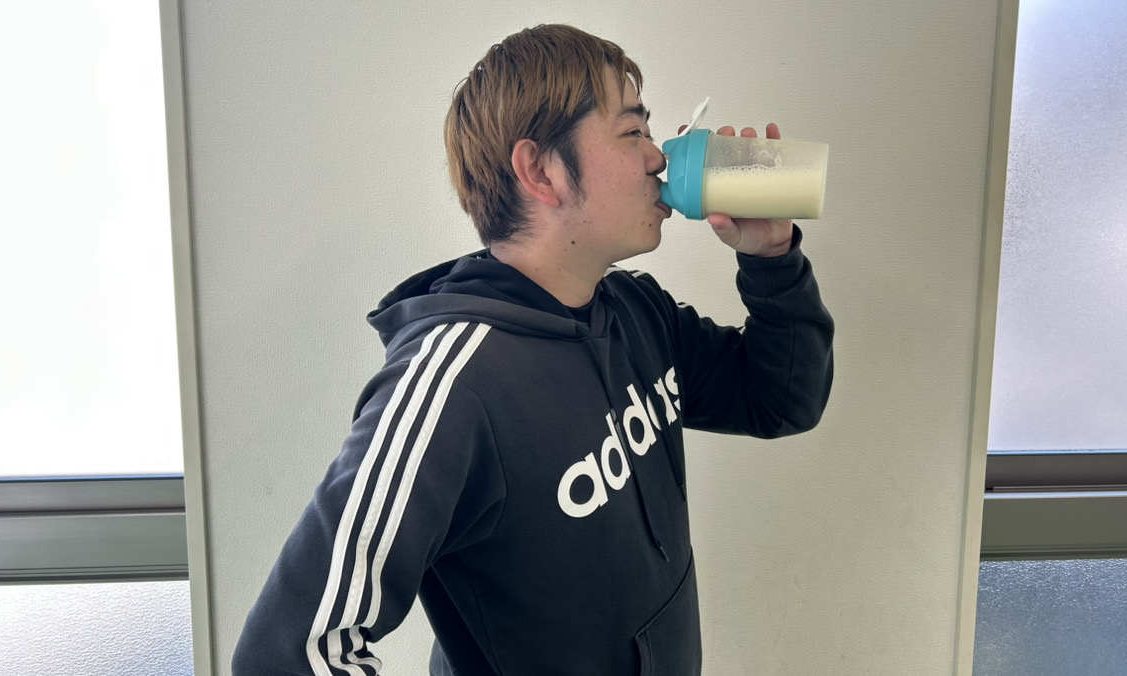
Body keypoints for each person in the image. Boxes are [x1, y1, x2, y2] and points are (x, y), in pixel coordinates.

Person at [232, 23, 833, 676]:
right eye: (633, 131)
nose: (658, 158)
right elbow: (287, 654)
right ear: (541, 171)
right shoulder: (453, 385)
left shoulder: (636, 311)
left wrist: (771, 257)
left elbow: (780, 401)